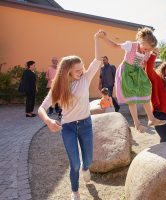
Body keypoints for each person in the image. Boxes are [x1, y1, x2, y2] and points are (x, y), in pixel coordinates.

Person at [38, 30, 103, 200]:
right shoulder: (58, 87)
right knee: (74, 164)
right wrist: (48, 120)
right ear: (67, 71)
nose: (82, 71)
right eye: (78, 70)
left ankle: (86, 168)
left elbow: (97, 60)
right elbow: (42, 108)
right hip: (68, 128)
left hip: (86, 124)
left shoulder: (85, 79)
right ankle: (75, 191)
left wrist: (95, 38)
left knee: (87, 161)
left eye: (82, 69)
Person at [99, 28, 166, 133]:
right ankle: (137, 123)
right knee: (132, 97)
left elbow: (143, 64)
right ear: (140, 41)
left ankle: (151, 119)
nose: (147, 51)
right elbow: (115, 45)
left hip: (137, 72)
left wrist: (152, 55)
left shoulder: (147, 51)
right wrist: (104, 38)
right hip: (127, 72)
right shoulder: (131, 45)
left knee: (145, 91)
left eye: (149, 50)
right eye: (146, 49)